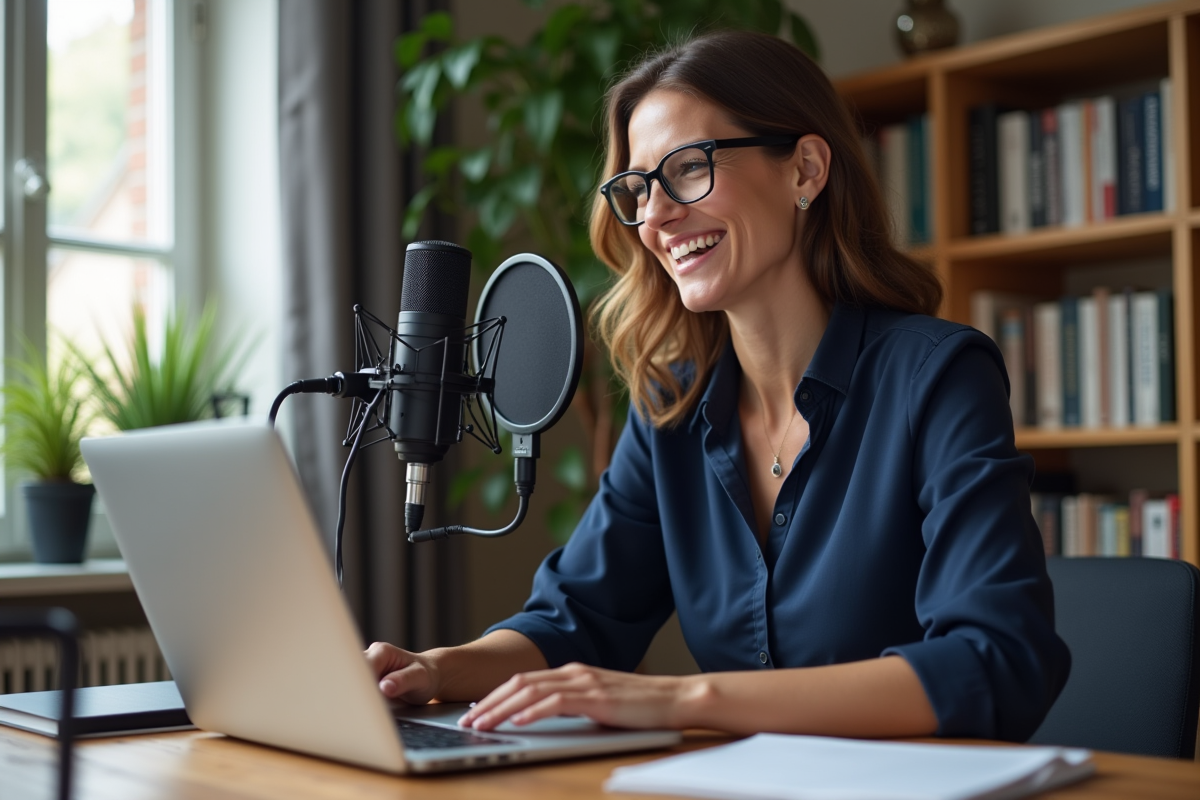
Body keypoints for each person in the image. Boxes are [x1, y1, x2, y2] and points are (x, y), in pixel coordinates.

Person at [366, 29, 1070, 742]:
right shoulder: (670, 408)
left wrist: (683, 699)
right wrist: (431, 668)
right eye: (638, 189)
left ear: (805, 170)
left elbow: (997, 660)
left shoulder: (938, 376)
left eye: (689, 168)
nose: (656, 216)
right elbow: (574, 617)